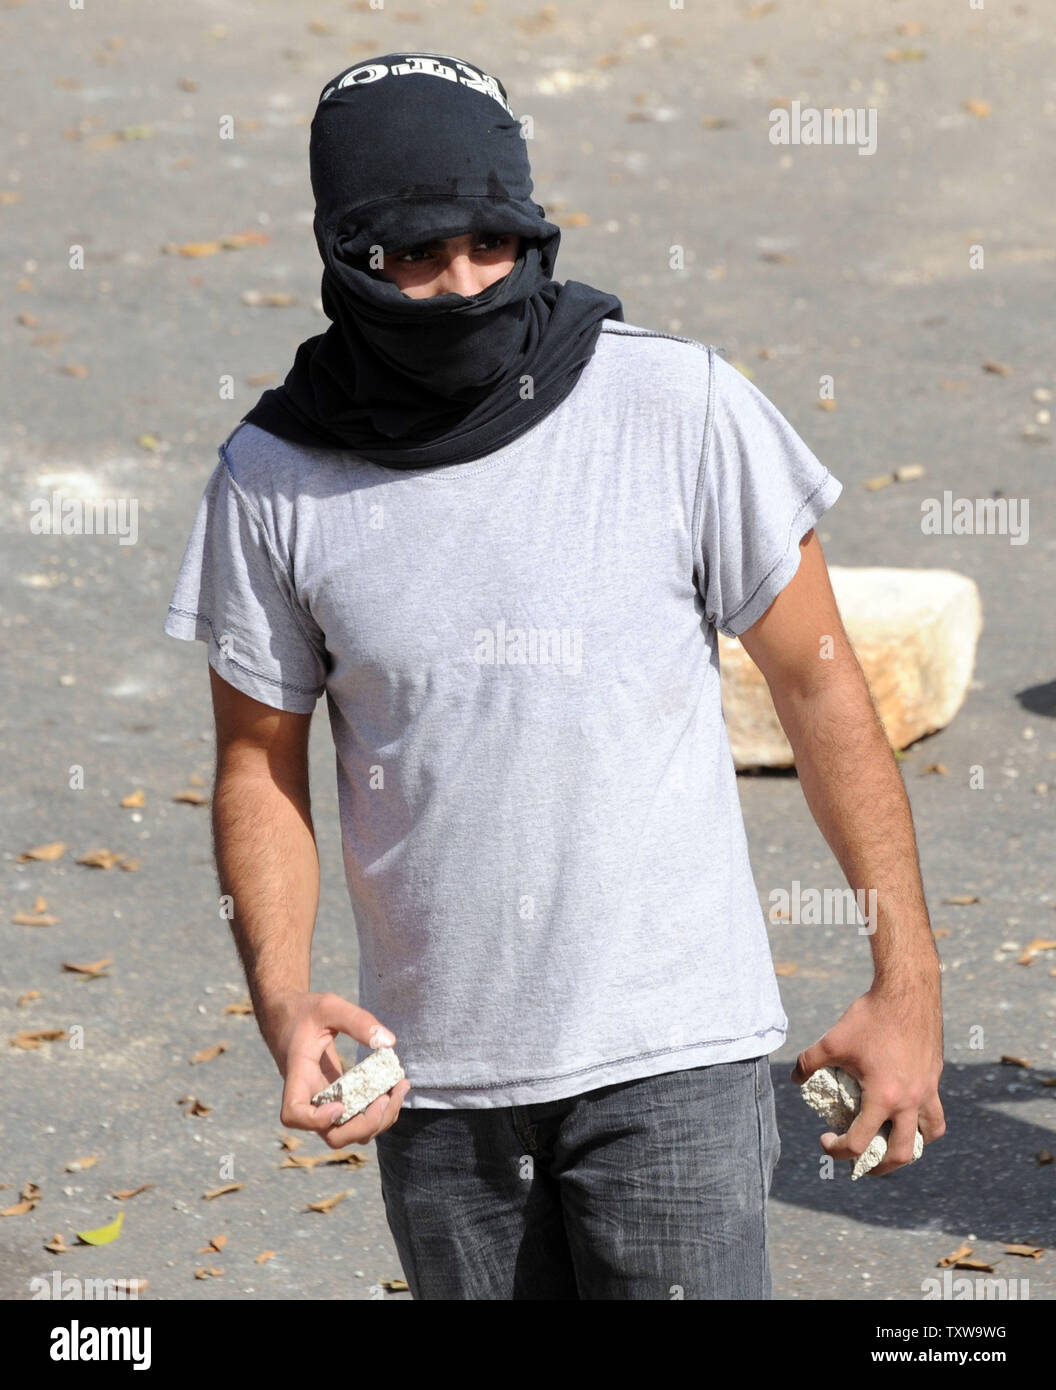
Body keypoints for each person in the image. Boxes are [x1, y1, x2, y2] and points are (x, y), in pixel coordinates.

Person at [164, 51, 945, 1300]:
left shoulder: (678, 408)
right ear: (343, 257)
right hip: (434, 1085)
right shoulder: (276, 474)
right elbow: (259, 762)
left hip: (675, 1057)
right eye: (414, 257)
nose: (463, 284)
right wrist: (280, 996)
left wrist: (906, 985)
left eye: (492, 242)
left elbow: (823, 688)